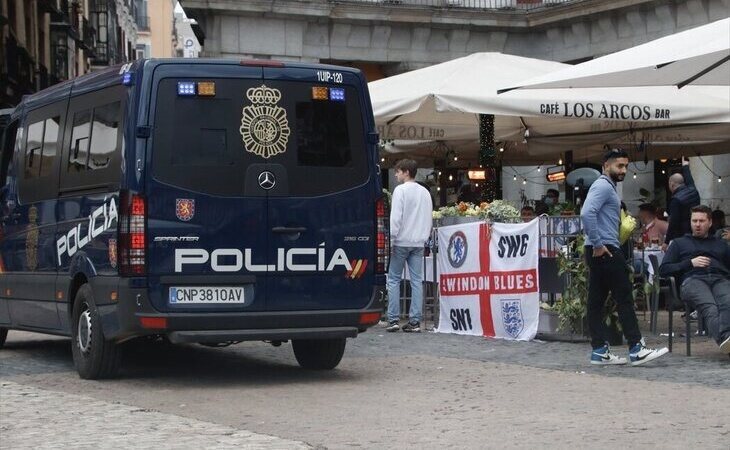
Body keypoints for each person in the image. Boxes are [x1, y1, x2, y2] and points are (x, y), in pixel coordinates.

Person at [580, 148, 668, 366]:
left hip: (599, 249)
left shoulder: (605, 186)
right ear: (606, 165)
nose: (624, 170)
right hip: (606, 249)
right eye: (619, 165)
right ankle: (636, 348)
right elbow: (585, 213)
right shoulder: (602, 185)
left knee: (596, 301)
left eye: (626, 166)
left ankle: (600, 350)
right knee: (624, 298)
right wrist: (599, 244)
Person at [659, 205, 730, 355]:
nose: (697, 224)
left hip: (719, 279)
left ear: (710, 223)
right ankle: (725, 339)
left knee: (728, 302)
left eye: (702, 221)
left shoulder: (721, 244)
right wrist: (690, 263)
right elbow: (664, 269)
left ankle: (726, 341)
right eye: (694, 221)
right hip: (693, 280)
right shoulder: (679, 243)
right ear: (690, 222)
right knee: (710, 308)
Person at [386, 159, 434, 333]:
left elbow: (396, 217)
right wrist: (424, 235)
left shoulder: (400, 191)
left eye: (398, 171)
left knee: (393, 279)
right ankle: (415, 320)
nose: (396, 174)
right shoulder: (425, 192)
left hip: (401, 241)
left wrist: (391, 238)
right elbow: (428, 217)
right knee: (416, 281)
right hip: (418, 241)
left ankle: (393, 319)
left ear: (406, 172)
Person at [664, 157, 700, 249]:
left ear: (671, 185)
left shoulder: (676, 200)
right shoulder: (693, 190)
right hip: (696, 231)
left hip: (683, 235)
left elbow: (673, 222)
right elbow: (689, 178)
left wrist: (666, 241)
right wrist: (685, 166)